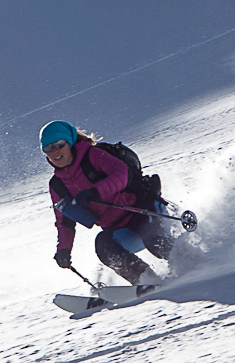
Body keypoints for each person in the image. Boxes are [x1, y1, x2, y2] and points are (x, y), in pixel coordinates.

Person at [41, 120, 172, 286]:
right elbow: (64, 221)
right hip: (120, 230)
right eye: (48, 148)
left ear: (70, 142)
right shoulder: (57, 185)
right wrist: (63, 250)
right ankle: (146, 281)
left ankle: (191, 262)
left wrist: (96, 192)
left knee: (155, 241)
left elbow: (122, 174)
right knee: (104, 246)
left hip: (143, 211)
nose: (55, 151)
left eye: (59, 144)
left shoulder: (93, 155)